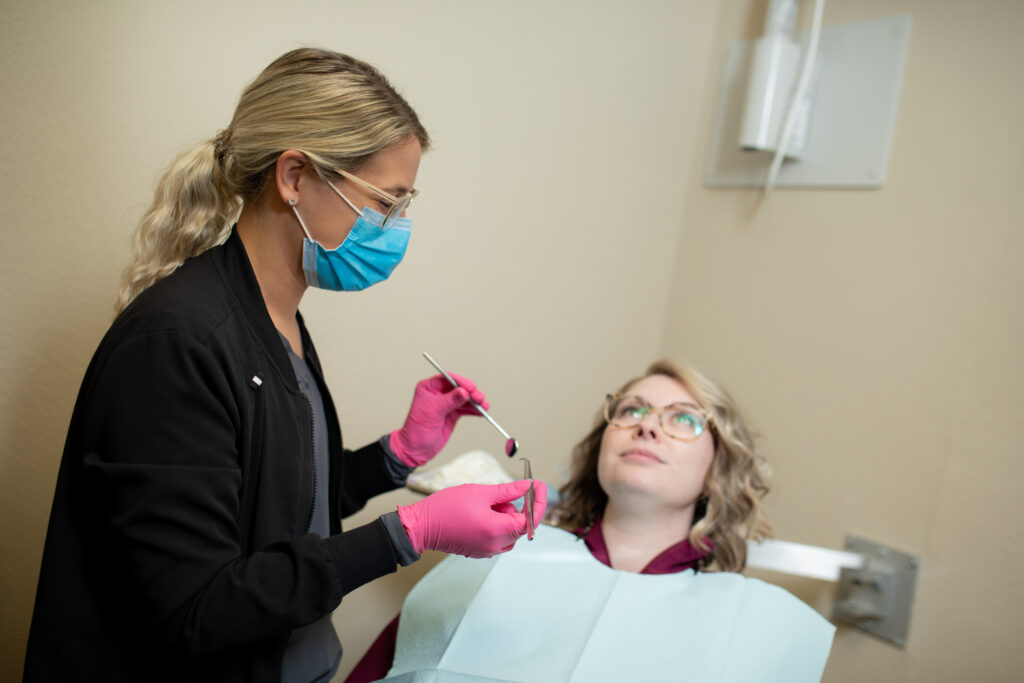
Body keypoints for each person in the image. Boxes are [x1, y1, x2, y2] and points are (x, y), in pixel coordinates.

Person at [24, 48, 546, 683]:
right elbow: (196, 610)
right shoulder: (176, 343)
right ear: (294, 176)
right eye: (386, 203)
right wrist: (409, 532)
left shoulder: (279, 321)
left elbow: (280, 510)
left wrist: (397, 454)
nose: (397, 228)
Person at [354, 360, 834, 682]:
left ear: (717, 472)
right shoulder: (491, 562)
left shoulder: (752, 628)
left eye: (683, 419)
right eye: (631, 410)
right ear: (602, 447)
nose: (647, 425)